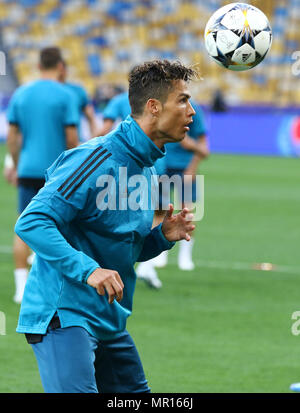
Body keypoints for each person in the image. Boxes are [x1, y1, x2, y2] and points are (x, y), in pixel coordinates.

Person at [15, 59, 197, 393]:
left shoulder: (149, 167)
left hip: (109, 319)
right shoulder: (94, 158)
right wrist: (88, 270)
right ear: (154, 107)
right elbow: (32, 222)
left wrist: (161, 237)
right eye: (183, 100)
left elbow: (123, 246)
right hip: (64, 315)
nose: (192, 111)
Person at [6, 46, 79, 304]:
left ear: (39, 66)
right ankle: (52, 287)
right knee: (58, 228)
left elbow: (13, 137)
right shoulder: (66, 95)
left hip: (27, 169)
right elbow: (71, 137)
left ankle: (20, 287)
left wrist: (16, 164)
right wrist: (77, 169)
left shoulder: (21, 94)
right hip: (57, 173)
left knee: (23, 226)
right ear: (60, 67)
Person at [97, 89, 166, 289]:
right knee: (153, 214)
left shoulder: (118, 102)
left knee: (120, 216)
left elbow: (106, 128)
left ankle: (138, 266)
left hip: (122, 165)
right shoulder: (158, 103)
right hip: (152, 167)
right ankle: (144, 265)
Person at [159, 99, 209, 271]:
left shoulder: (194, 109)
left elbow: (203, 146)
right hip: (162, 165)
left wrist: (192, 168)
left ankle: (185, 255)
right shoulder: (162, 105)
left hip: (185, 166)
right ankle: (160, 251)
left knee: (187, 211)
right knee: (161, 210)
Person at [58, 60, 99, 140]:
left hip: (75, 143)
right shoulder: (45, 91)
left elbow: (90, 116)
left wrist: (94, 139)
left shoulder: (77, 90)